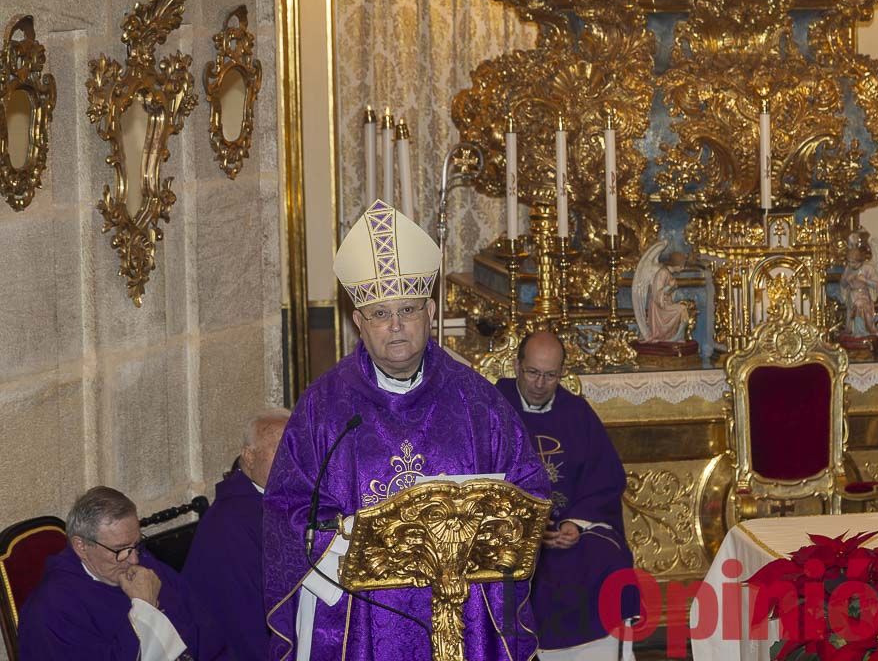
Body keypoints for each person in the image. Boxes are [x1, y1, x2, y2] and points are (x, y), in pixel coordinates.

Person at [263, 199, 549, 661]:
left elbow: (530, 490)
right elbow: (287, 510)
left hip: (466, 612)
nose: (395, 326)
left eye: (408, 310)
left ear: (430, 312)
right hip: (361, 615)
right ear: (358, 322)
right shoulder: (324, 408)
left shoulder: (478, 403)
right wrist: (346, 536)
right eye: (379, 313)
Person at [494, 331, 638, 660]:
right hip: (511, 529)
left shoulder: (577, 413)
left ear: (562, 373)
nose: (540, 383)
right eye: (532, 372)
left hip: (571, 528)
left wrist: (575, 524)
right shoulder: (493, 406)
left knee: (606, 559)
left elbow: (604, 480)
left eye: (551, 375)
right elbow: (478, 475)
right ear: (517, 365)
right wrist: (531, 529)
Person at [19, 486, 223, 660]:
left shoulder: (144, 564)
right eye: (120, 550)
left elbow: (205, 631)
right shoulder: (52, 610)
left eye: (136, 544)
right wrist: (144, 608)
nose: (133, 559)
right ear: (81, 546)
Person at [184, 408, 290, 661]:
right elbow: (241, 616)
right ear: (249, 457)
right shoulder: (229, 523)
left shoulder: (284, 500)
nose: (291, 462)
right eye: (280, 451)